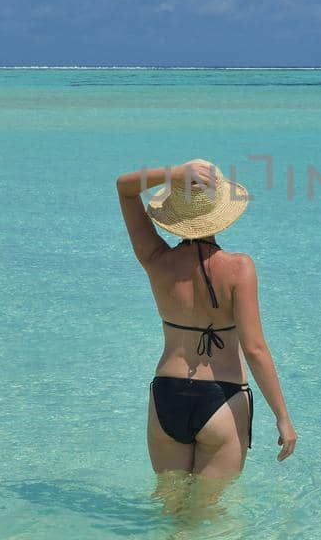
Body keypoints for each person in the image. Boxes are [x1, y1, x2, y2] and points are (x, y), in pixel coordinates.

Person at [115, 159, 298, 510]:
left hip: (167, 395)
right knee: (208, 518)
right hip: (222, 399)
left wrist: (172, 174)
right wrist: (283, 417)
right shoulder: (239, 268)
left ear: (175, 214)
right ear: (220, 211)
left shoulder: (155, 259)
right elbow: (255, 349)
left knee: (170, 511)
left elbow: (124, 188)